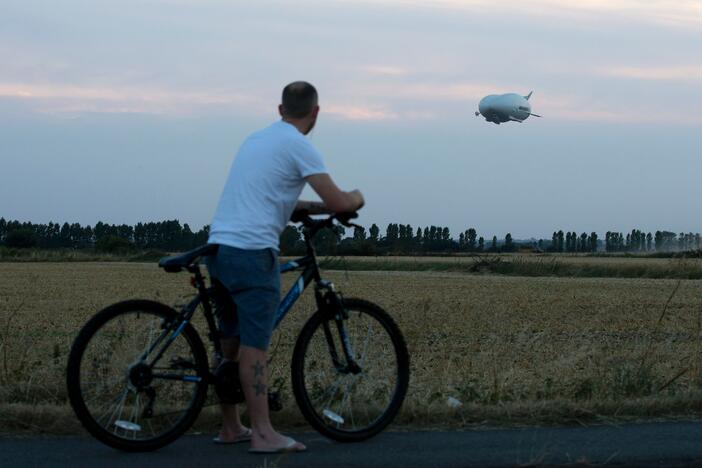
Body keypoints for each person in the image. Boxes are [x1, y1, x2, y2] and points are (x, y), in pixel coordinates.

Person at [206, 81, 365, 453]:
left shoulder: (256, 140)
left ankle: (231, 427)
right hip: (252, 253)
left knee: (228, 341)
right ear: (316, 113)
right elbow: (340, 201)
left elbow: (286, 202)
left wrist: (317, 208)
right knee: (254, 346)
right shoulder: (300, 145)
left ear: (280, 110)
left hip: (221, 248)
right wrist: (356, 197)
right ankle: (263, 434)